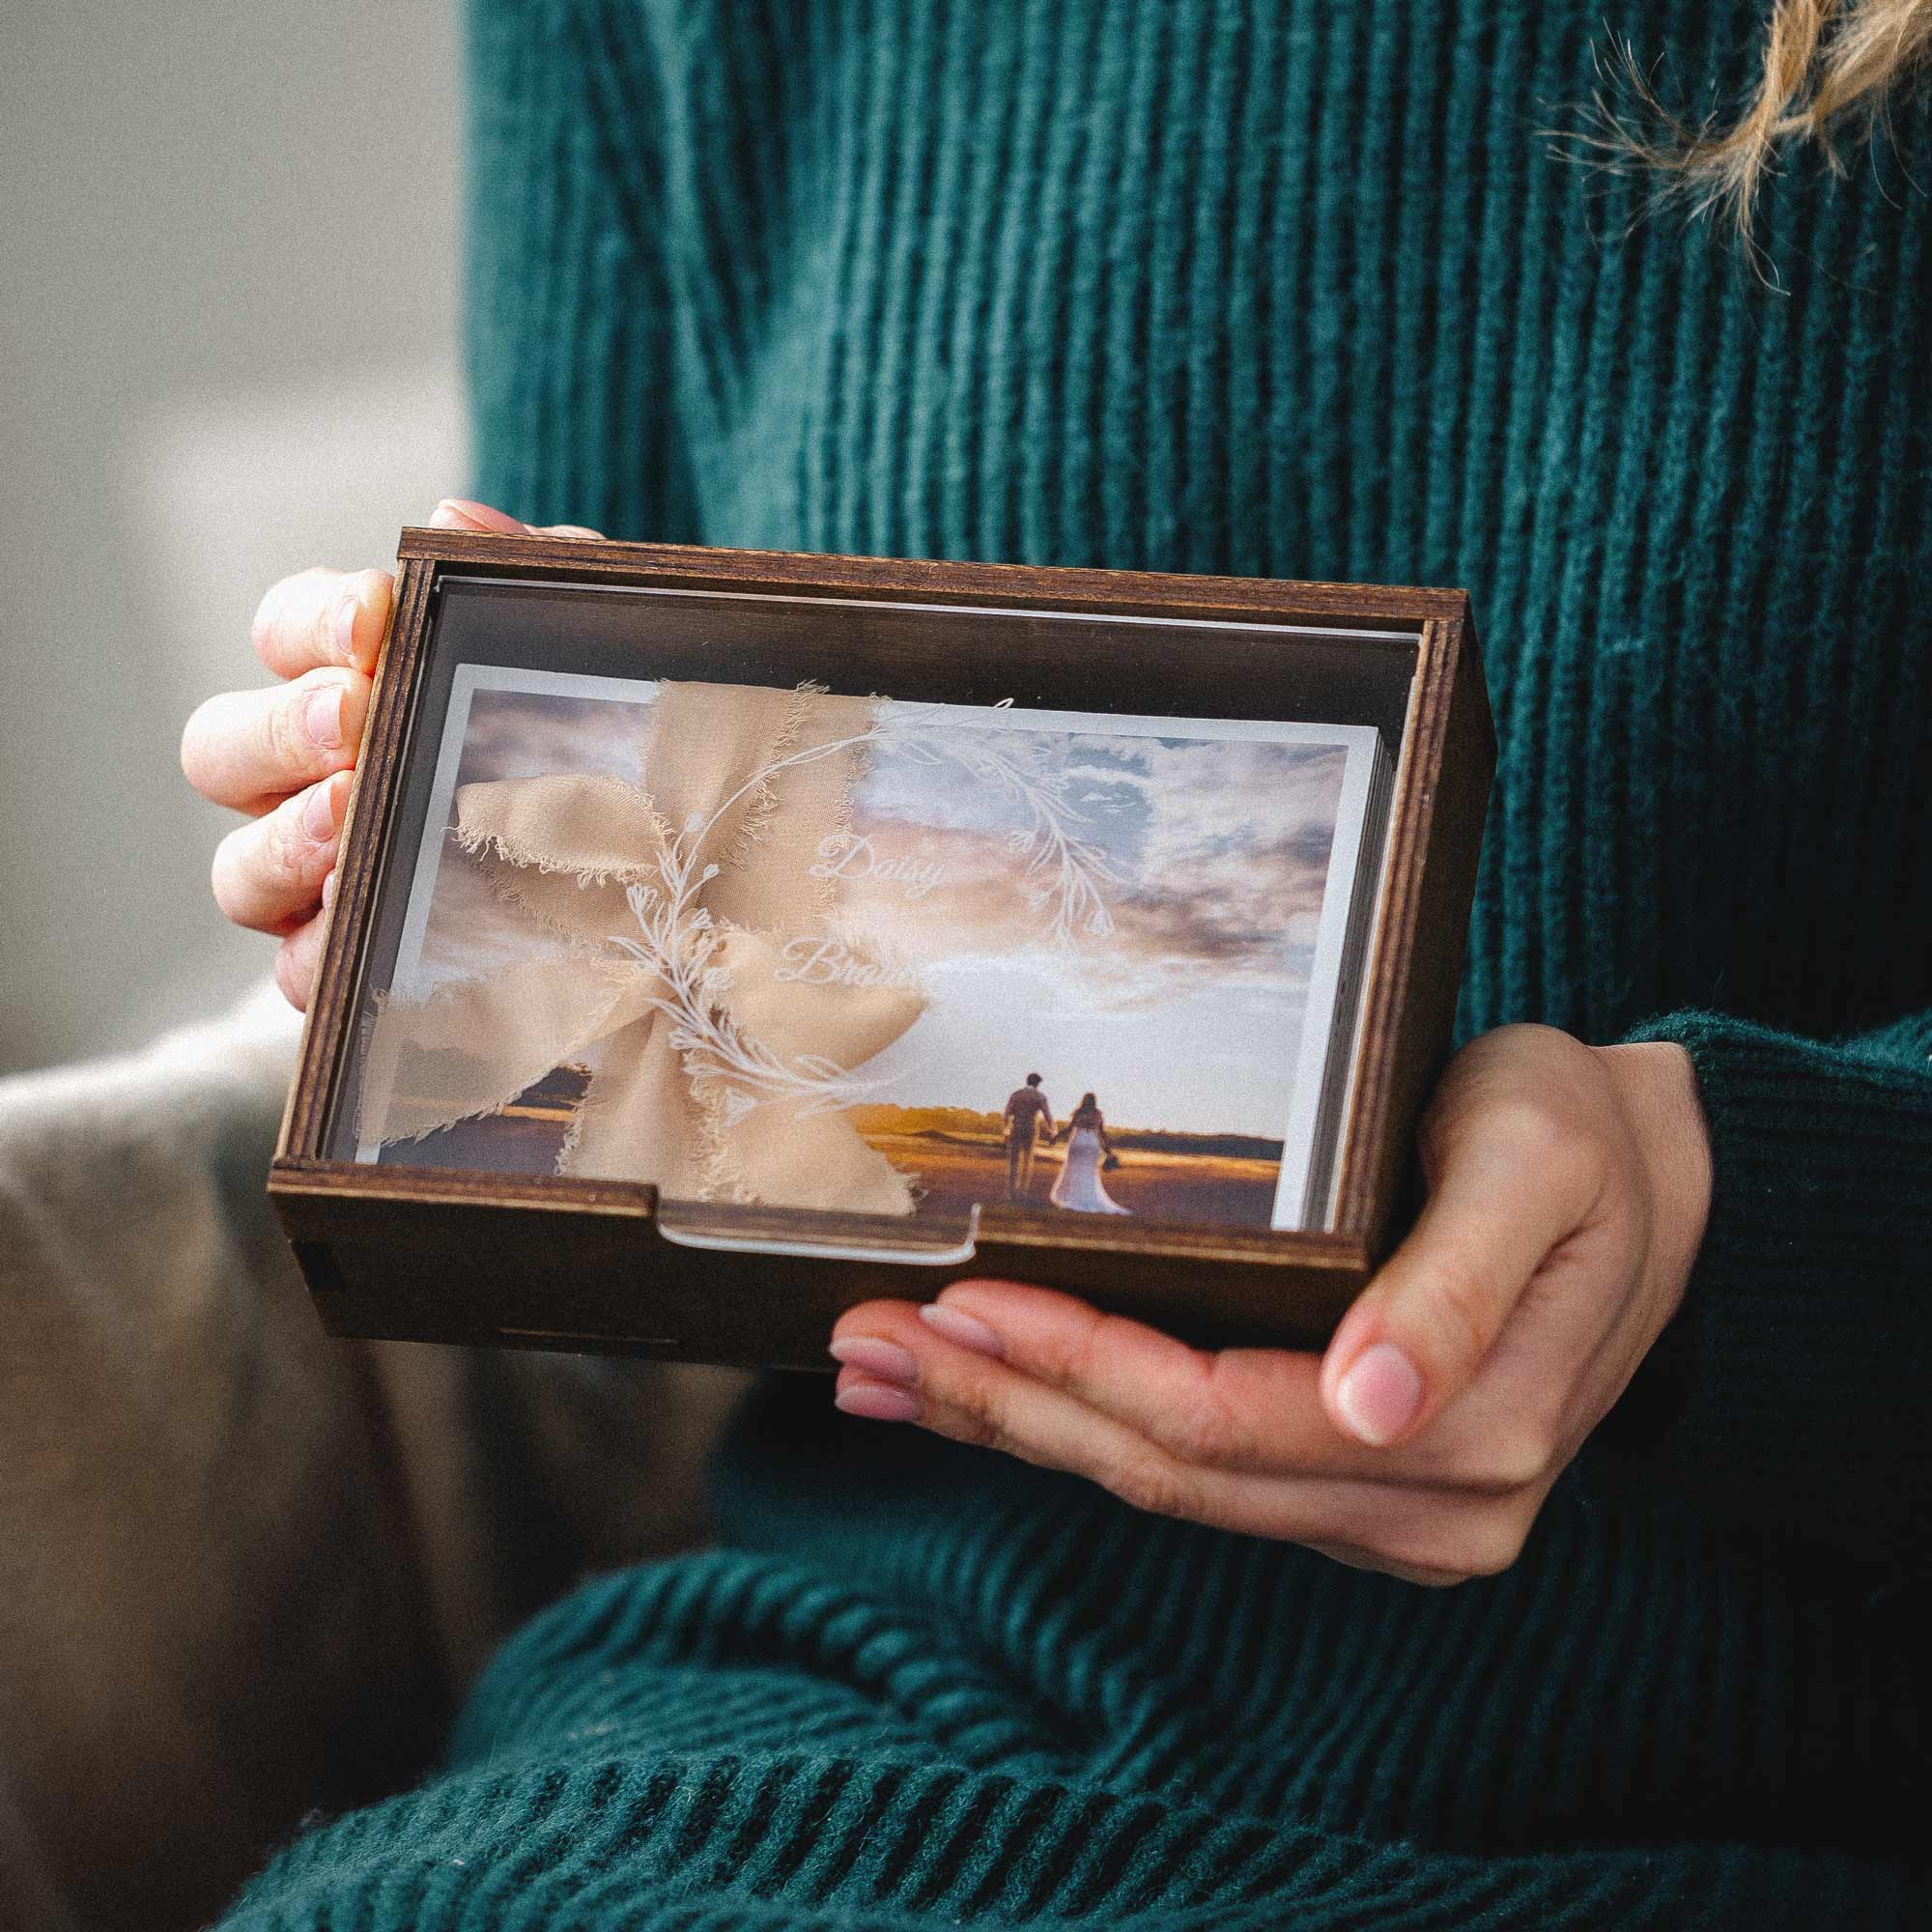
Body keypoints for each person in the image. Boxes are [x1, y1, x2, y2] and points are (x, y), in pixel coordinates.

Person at [164, 2, 1930, 1926]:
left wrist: (1723, 1205)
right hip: (883, 1694)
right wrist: (459, 879)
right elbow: (605, 998)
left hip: (1816, 1756)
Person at [1048, 1091, 1130, 1215]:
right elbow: (1102, 1134)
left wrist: (1056, 1137)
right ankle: (1087, 1197)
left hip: (1079, 1140)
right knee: (1089, 1172)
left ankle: (1071, 1196)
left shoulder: (1078, 1113)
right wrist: (1108, 1151)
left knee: (1073, 1169)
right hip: (1092, 1142)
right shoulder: (1098, 1115)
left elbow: (1070, 1128)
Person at [1001, 1071, 1054, 1201]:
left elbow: (1006, 1114)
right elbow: (1047, 1116)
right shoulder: (1040, 1096)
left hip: (1016, 1127)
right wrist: (1053, 1131)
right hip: (1030, 1129)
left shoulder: (1016, 1095)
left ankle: (1011, 1191)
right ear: (1037, 1083)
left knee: (1013, 1161)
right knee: (1027, 1160)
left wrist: (1006, 1130)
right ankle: (1023, 1191)